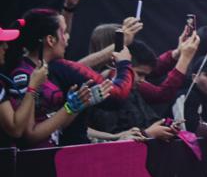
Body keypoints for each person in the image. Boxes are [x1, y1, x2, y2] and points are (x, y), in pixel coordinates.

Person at [6, 8, 131, 147]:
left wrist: (78, 105)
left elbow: (53, 126)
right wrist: (69, 108)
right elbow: (30, 136)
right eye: (64, 32)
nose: (67, 37)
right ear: (51, 40)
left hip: (51, 153)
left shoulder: (46, 69)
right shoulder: (24, 76)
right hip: (36, 158)